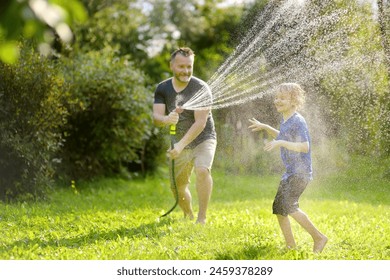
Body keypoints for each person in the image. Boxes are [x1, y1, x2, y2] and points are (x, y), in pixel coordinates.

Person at [248, 82, 328, 253]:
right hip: (291, 172)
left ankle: (319, 238)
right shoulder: (286, 120)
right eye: (276, 97)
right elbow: (282, 136)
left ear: (294, 101)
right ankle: (290, 245)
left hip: (300, 173)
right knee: (279, 208)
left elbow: (304, 146)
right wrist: (266, 127)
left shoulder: (298, 121)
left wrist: (281, 143)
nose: (277, 100)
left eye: (282, 98)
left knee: (289, 206)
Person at [153, 47, 217, 224]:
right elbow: (156, 118)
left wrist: (180, 145)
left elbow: (200, 123)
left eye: (189, 67)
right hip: (178, 139)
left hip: (203, 137)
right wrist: (166, 119)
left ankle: (202, 218)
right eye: (181, 66)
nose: (186, 71)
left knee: (202, 170)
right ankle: (188, 214)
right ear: (172, 66)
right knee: (178, 188)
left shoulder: (201, 88)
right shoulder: (162, 88)